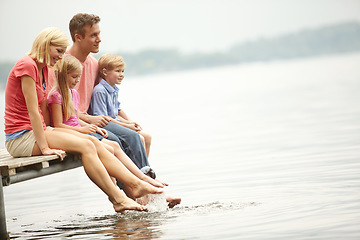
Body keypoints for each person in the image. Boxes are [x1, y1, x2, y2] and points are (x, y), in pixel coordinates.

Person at [4, 27, 163, 213]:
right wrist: (46, 147)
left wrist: (59, 131)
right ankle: (119, 198)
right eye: (59, 51)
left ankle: (135, 184)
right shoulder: (27, 65)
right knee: (87, 145)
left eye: (63, 52)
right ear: (46, 45)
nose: (61, 56)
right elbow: (32, 111)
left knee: (92, 141)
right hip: (21, 137)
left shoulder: (44, 69)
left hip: (38, 132)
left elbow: (43, 112)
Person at [47, 13, 154, 177]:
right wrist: (89, 121)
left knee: (139, 136)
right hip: (76, 125)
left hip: (96, 120)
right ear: (78, 37)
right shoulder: (61, 66)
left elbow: (110, 101)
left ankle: (147, 187)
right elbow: (56, 111)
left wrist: (128, 121)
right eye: (94, 35)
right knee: (118, 141)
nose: (99, 39)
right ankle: (138, 190)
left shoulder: (94, 65)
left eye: (99, 34)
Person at [47, 54, 163, 193]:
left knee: (128, 140)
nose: (77, 80)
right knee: (115, 143)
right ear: (62, 75)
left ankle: (143, 179)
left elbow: (76, 118)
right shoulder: (56, 96)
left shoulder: (74, 93)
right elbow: (58, 124)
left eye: (79, 77)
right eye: (74, 77)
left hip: (81, 129)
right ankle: (136, 183)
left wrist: (91, 127)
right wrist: (84, 130)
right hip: (72, 133)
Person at [88, 54, 152, 157]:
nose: (121, 74)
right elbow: (104, 119)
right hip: (108, 127)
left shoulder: (114, 89)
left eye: (122, 71)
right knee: (139, 138)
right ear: (105, 72)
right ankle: (136, 170)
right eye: (117, 71)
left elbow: (117, 111)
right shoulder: (99, 91)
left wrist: (130, 122)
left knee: (147, 137)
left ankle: (144, 168)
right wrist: (127, 126)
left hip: (116, 123)